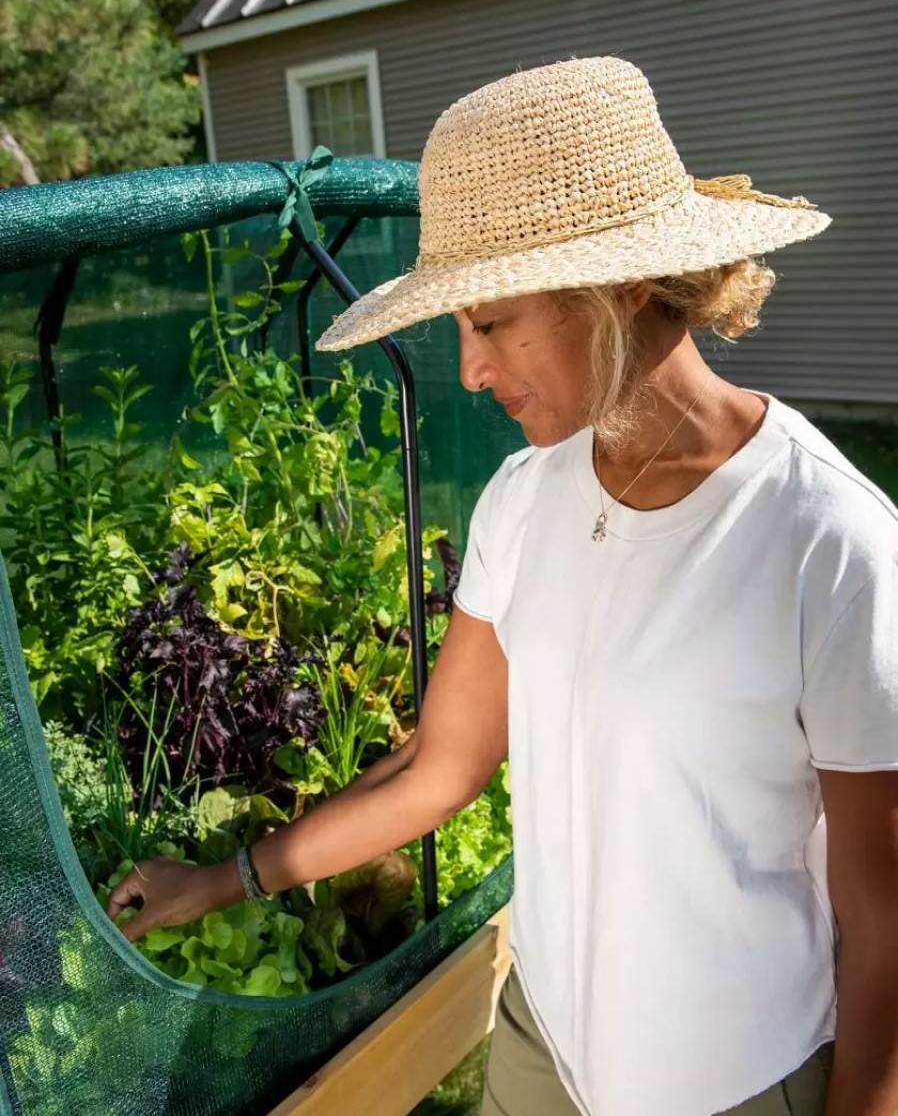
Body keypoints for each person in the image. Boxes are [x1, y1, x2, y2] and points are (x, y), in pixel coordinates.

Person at [107, 57, 898, 1116]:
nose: (470, 370)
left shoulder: (826, 539)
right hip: (545, 1055)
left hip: (735, 1081)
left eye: (489, 320)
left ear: (618, 285)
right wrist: (222, 878)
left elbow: (883, 915)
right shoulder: (523, 501)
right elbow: (440, 768)